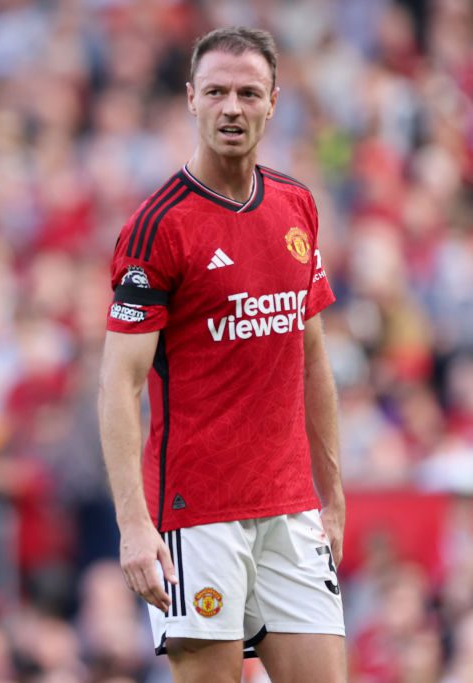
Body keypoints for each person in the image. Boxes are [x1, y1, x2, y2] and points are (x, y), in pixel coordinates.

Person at [97, 27, 346, 683]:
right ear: (190, 99)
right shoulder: (158, 226)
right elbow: (120, 384)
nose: (231, 107)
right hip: (195, 515)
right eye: (216, 92)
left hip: (291, 509)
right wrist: (133, 524)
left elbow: (311, 355)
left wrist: (334, 494)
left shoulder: (296, 206)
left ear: (272, 101)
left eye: (247, 93)